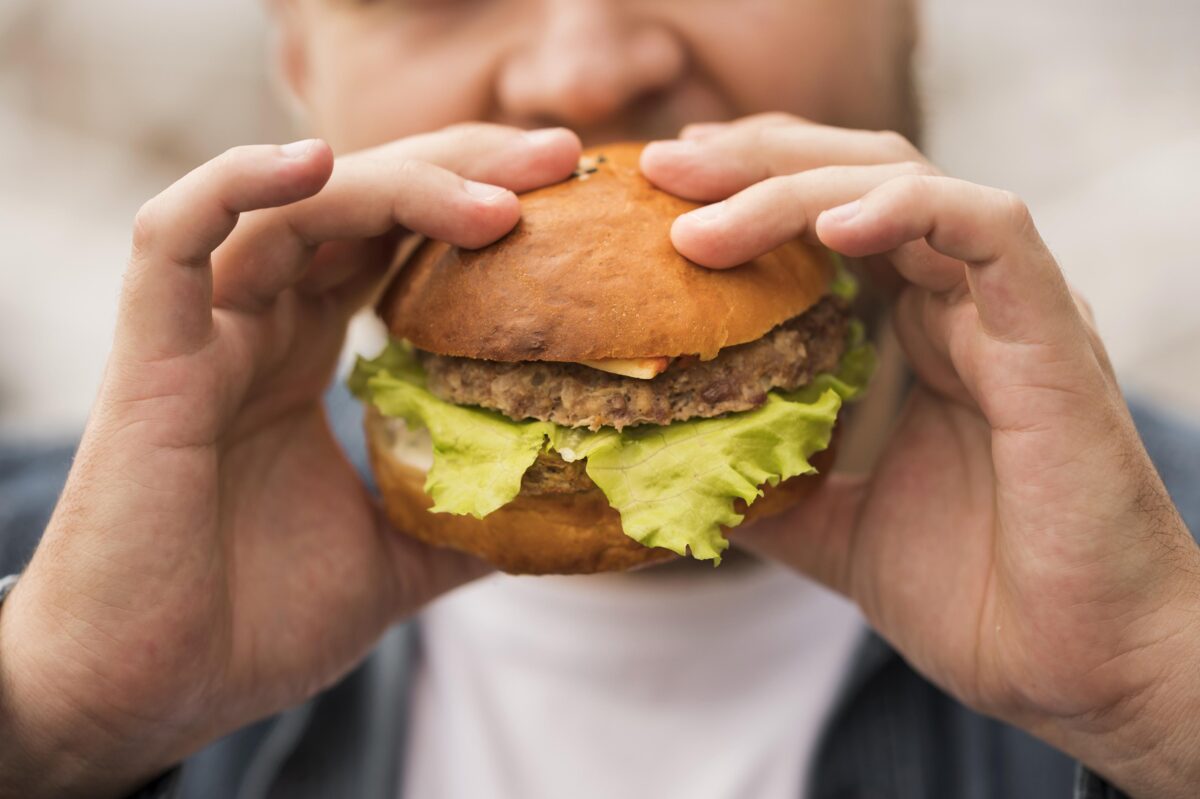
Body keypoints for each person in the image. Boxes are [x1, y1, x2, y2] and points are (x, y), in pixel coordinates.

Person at [1, 1, 1199, 797]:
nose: (582, 69)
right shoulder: (36, 604)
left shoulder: (1170, 611)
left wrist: (1157, 702)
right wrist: (55, 731)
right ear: (301, 66)